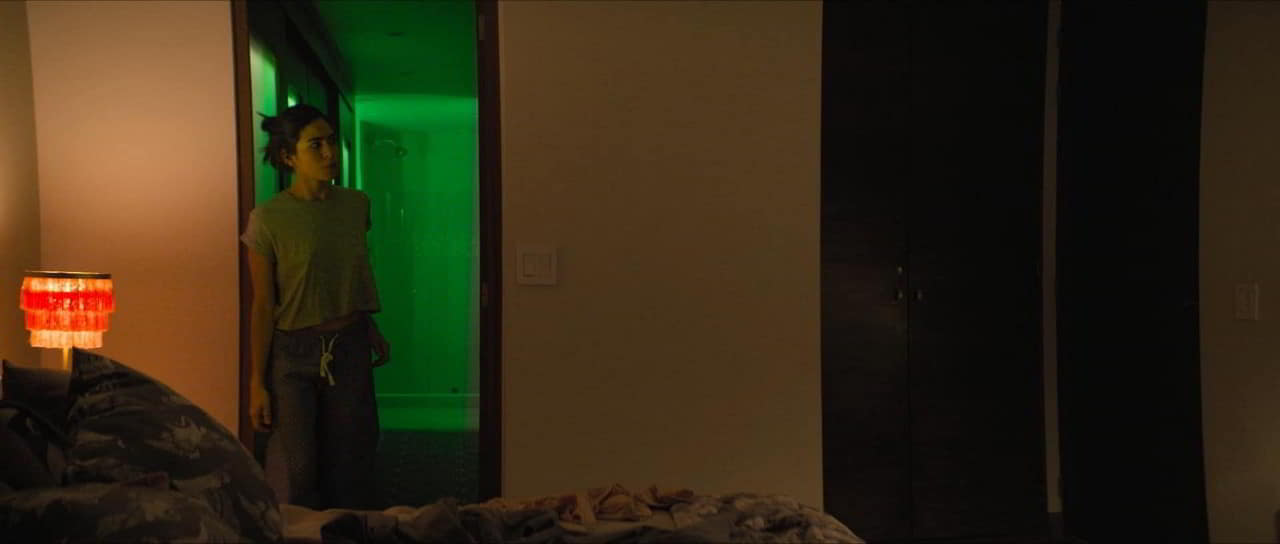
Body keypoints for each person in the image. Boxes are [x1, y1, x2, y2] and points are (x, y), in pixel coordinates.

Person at [240, 104, 390, 510]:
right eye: (315, 145)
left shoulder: (356, 205)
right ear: (289, 156)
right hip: (294, 351)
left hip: (349, 344)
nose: (330, 153)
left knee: (353, 462)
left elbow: (351, 272)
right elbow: (263, 304)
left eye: (332, 142)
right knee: (298, 468)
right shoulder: (267, 219)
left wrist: (369, 325)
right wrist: (257, 381)